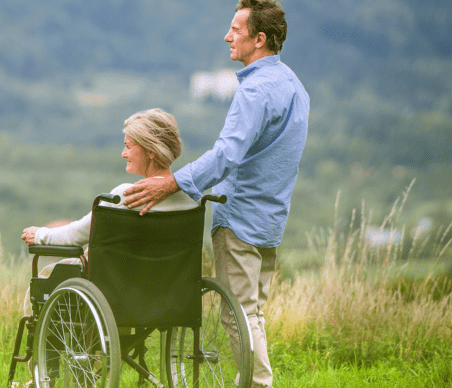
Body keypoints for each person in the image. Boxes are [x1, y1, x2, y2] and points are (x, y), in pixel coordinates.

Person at [123, 1, 309, 387]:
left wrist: (171, 183)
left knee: (238, 316)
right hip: (272, 219)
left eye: (236, 30)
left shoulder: (254, 92)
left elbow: (226, 155)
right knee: (253, 315)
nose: (228, 36)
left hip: (239, 218)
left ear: (259, 39)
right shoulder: (295, 87)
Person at [20, 108, 199, 315]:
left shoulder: (126, 195)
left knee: (49, 275)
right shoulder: (191, 200)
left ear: (150, 151)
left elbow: (76, 235)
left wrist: (41, 235)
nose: (123, 154)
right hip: (169, 292)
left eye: (128, 147)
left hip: (117, 289)